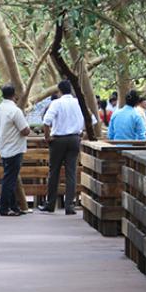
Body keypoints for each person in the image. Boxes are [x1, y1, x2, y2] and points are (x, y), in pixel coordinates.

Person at [39, 80, 84, 215]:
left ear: (59, 91)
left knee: (54, 172)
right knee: (71, 172)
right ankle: (69, 205)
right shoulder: (78, 102)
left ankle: (50, 203)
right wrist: (81, 134)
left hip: (58, 140)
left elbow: (46, 121)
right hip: (75, 139)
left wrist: (47, 138)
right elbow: (91, 120)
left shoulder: (56, 103)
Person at [0, 84, 31, 216]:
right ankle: (4, 207)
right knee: (9, 179)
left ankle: (14, 206)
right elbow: (25, 130)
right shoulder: (15, 111)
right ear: (14, 95)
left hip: (3, 146)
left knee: (11, 178)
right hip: (15, 148)